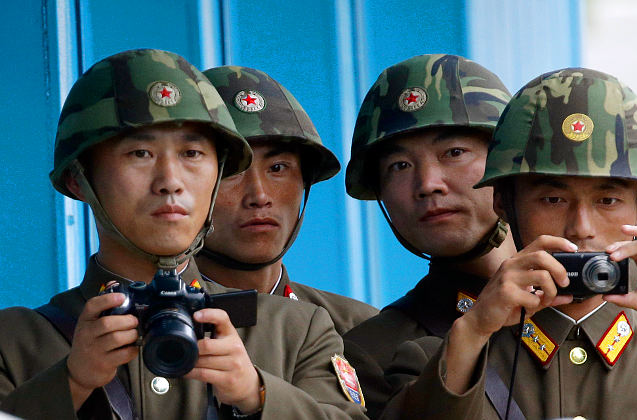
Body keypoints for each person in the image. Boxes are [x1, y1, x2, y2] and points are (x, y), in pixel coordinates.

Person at [0, 49, 367, 420]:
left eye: (192, 153)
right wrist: (70, 383)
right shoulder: (15, 342)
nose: (170, 182)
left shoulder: (296, 330)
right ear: (77, 180)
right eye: (140, 153)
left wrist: (257, 394)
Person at [381, 68, 637, 419]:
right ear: (502, 203)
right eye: (552, 200)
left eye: (608, 200)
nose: (581, 228)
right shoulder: (444, 357)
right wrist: (475, 330)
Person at [341, 53, 517, 418]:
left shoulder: (596, 309)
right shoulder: (371, 352)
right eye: (400, 166)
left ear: (507, 163)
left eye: (454, 152)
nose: (428, 184)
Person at [196, 66, 378, 336]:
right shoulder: (142, 325)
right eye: (231, 172)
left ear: (305, 181)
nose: (259, 197)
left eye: (278, 168)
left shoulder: (359, 330)